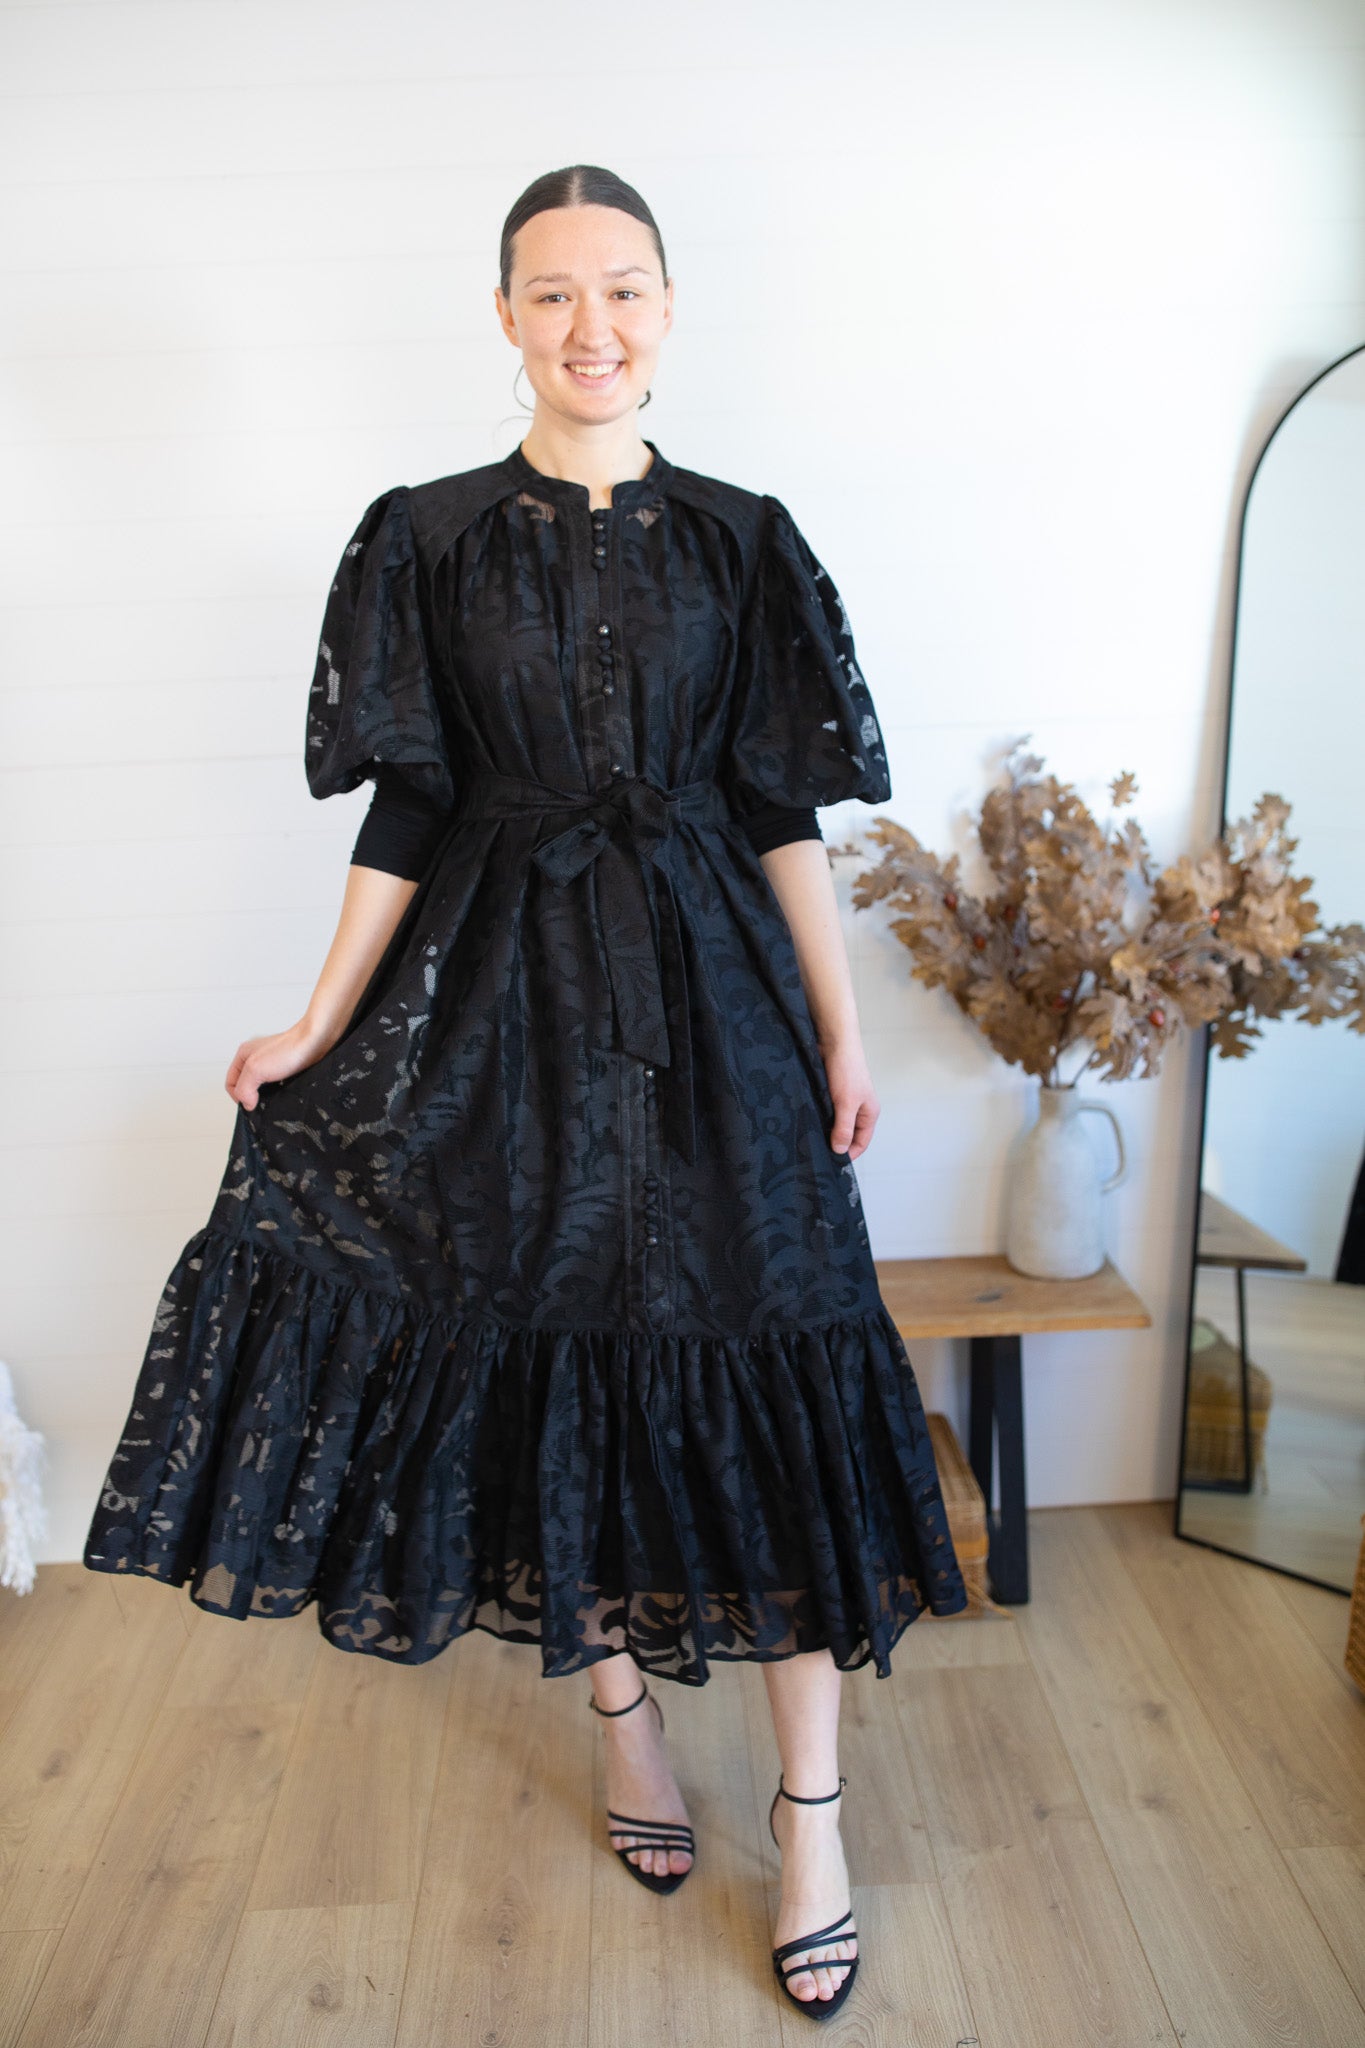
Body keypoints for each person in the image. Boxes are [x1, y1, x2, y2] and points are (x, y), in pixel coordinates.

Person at [83, 164, 968, 2019]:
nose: (591, 327)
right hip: (499, 999)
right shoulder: (424, 537)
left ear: (669, 308)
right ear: (502, 315)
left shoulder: (742, 539)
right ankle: (625, 1723)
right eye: (553, 293)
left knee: (777, 1342)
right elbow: (411, 804)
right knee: (549, 1348)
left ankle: (810, 1814)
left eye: (623, 289)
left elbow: (778, 807)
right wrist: (317, 1022)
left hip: (717, 995)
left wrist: (841, 1032)